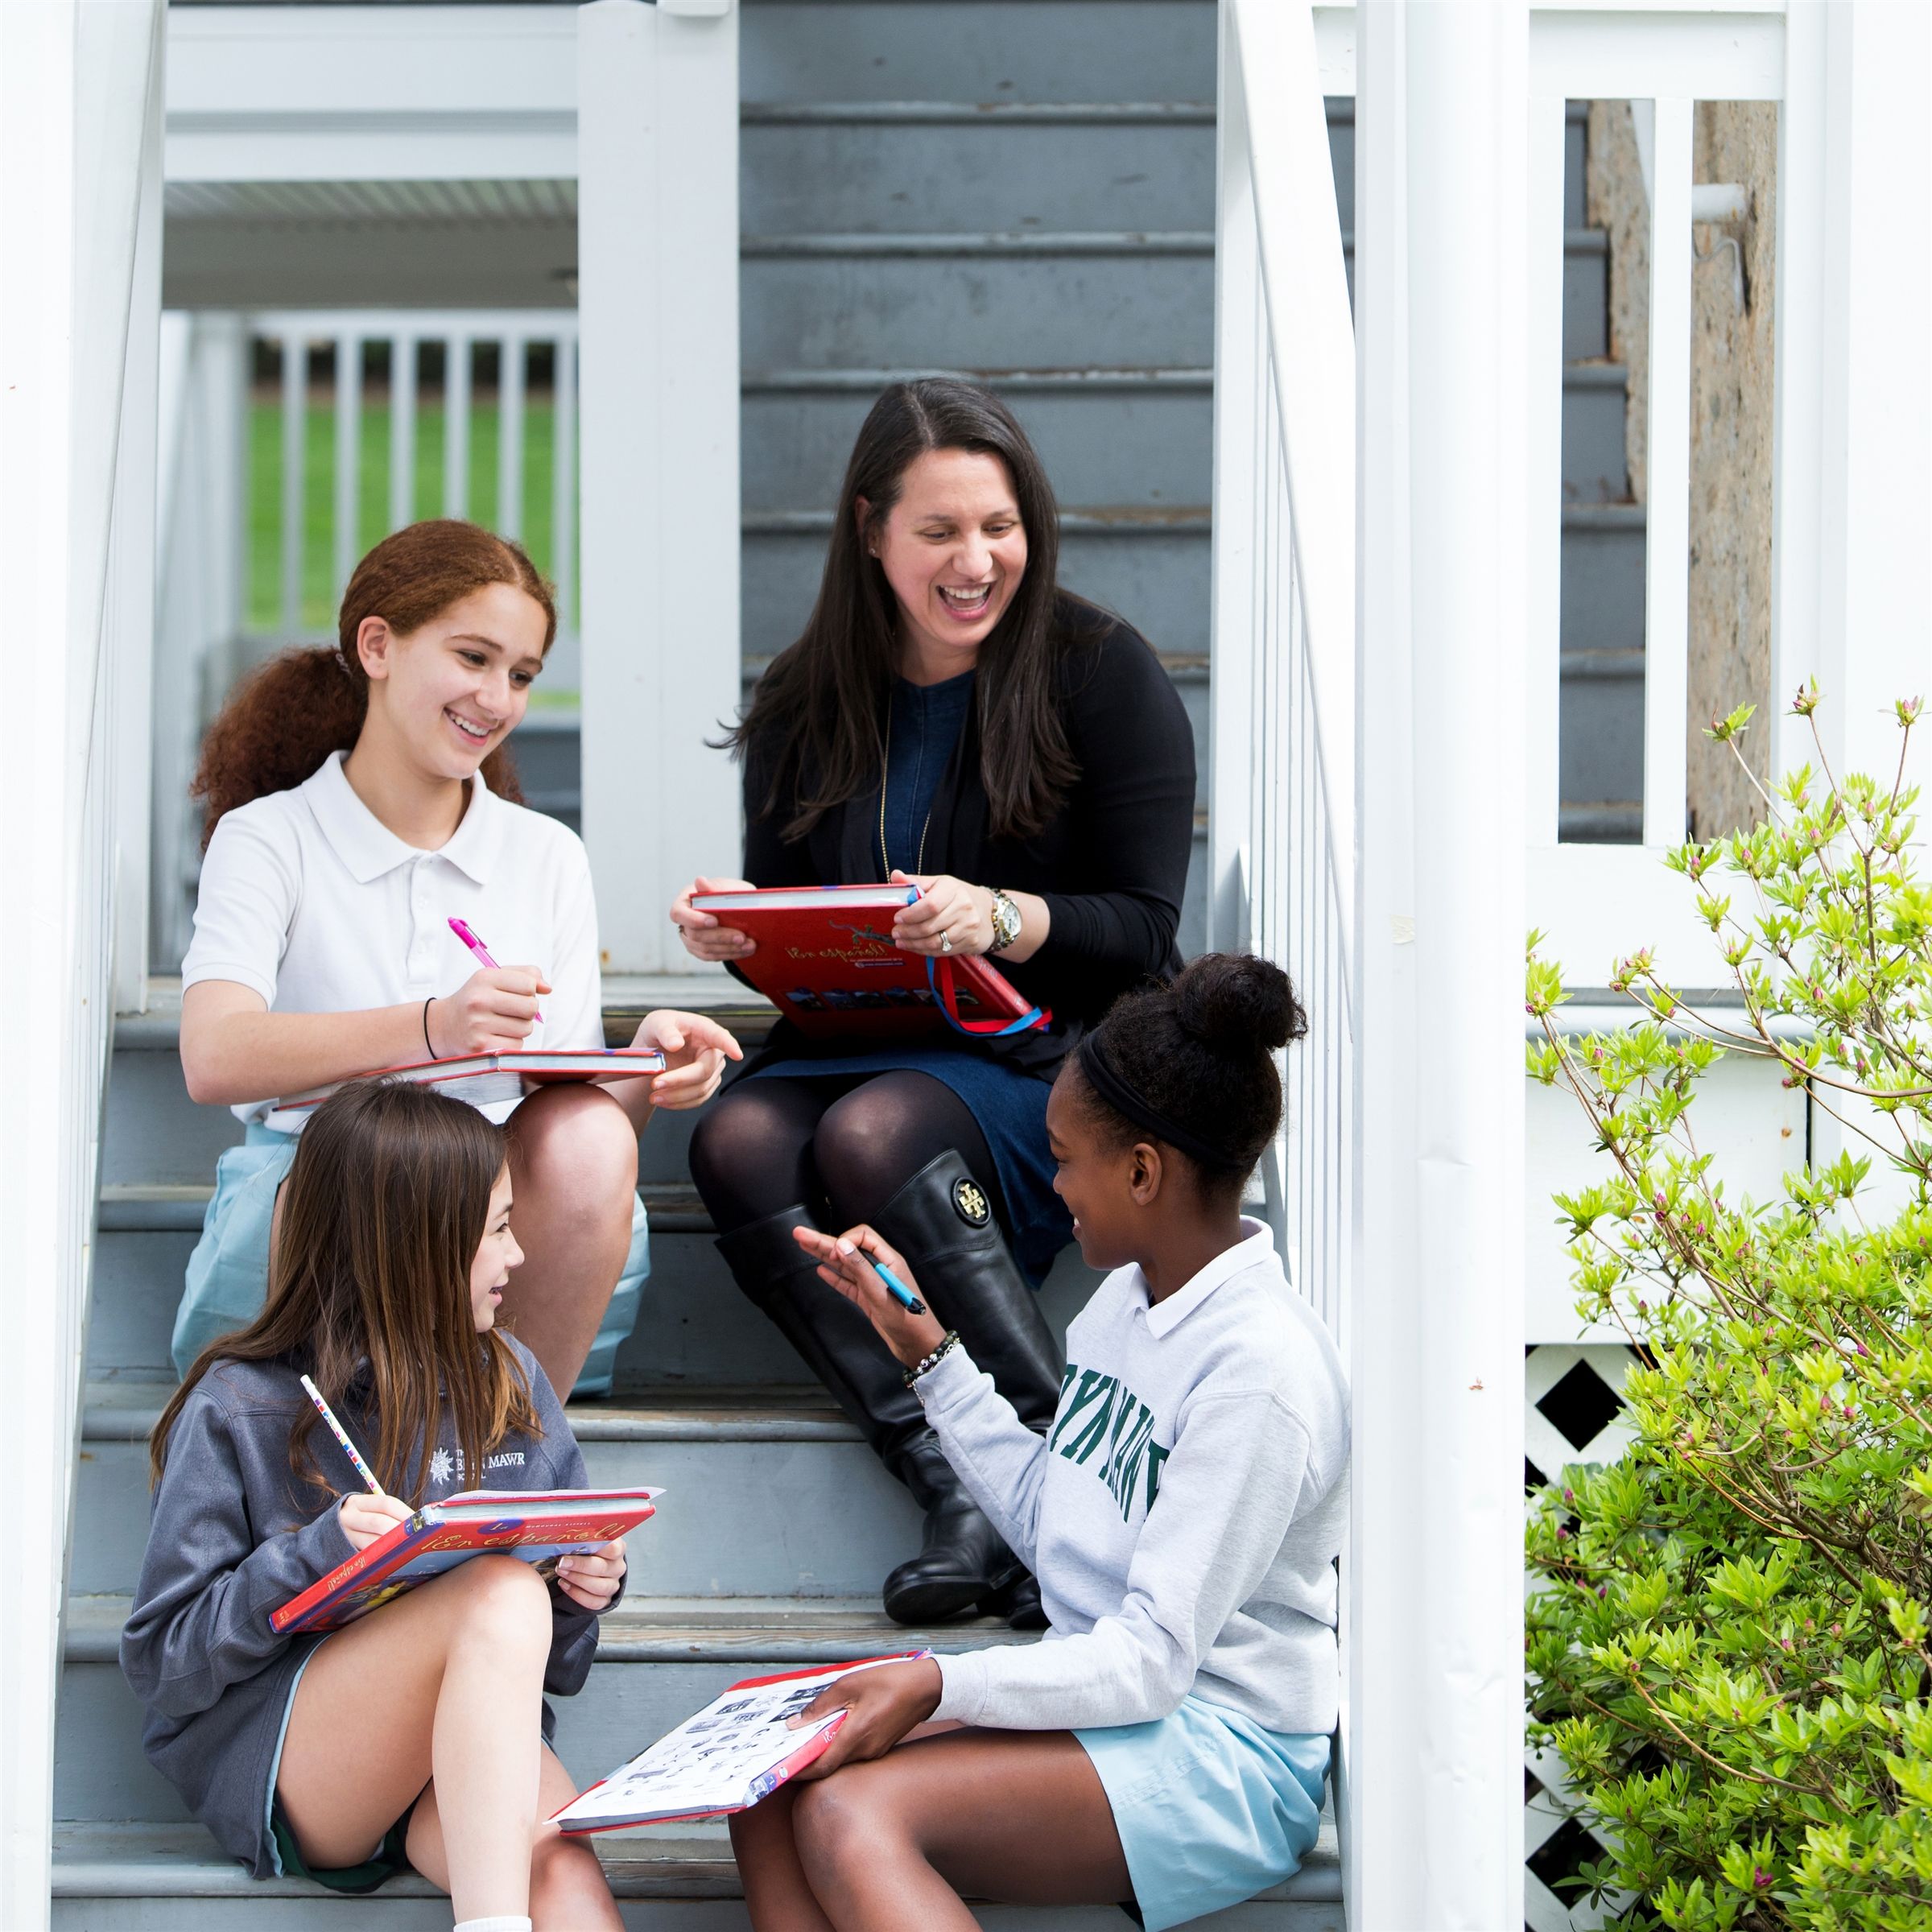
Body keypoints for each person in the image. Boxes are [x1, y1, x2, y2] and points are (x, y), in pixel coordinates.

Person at [670, 378, 1195, 1628]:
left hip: (1039, 1054)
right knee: (736, 1137)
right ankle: (962, 1487)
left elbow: (1148, 934)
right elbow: (810, 933)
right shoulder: (808, 696)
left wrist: (1000, 916)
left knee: (869, 1135)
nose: (976, 562)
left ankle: (1052, 1485)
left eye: (999, 528)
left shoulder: (1099, 671)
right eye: (939, 533)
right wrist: (741, 941)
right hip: (857, 1041)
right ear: (869, 531)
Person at [727, 954, 1348, 1932]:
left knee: (852, 1810)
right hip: (1118, 1705)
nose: (1051, 1182)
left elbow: (1153, 1659)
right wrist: (928, 1352)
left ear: (1143, 1170)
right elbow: (1056, 1522)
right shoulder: (1129, 1300)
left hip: (1227, 1751)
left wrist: (939, 1681)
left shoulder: (1257, 1372)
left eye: (1063, 1158)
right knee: (772, 1779)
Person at [175, 519, 738, 1398]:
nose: (498, 697)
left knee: (586, 1132)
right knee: (396, 1164)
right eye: (473, 658)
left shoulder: (546, 855)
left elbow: (569, 1119)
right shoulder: (267, 839)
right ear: (377, 646)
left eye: (521, 675)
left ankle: (508, 1456)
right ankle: (418, 1465)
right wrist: (436, 1028)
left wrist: (643, 1065)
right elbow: (215, 1057)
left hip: (499, 1252)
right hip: (322, 1220)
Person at [122, 1080, 630, 1930]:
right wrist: (313, 1556)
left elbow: (557, 1669)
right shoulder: (241, 1402)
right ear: (416, 1248)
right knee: (497, 1595)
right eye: (498, 1230)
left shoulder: (508, 1377)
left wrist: (582, 1590)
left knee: (559, 1868)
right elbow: (166, 1662)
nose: (519, 1259)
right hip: (301, 1762)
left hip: (464, 1750)